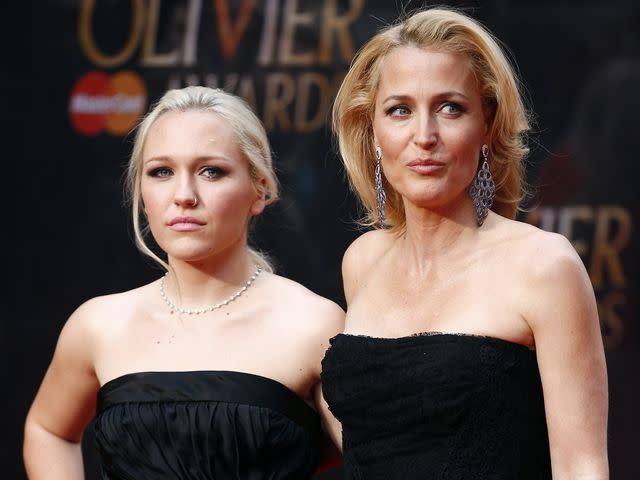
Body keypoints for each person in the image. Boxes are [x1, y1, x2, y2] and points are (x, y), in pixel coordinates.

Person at [320, 7, 609, 479]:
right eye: (399, 111)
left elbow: (581, 466)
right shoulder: (363, 261)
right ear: (372, 131)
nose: (424, 136)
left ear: (487, 126)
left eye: (450, 108)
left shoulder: (543, 266)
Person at [23, 86, 344, 479]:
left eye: (212, 171)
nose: (184, 195)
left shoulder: (314, 326)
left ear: (259, 189)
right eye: (161, 172)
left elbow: (377, 455)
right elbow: (48, 430)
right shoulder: (98, 325)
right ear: (141, 191)